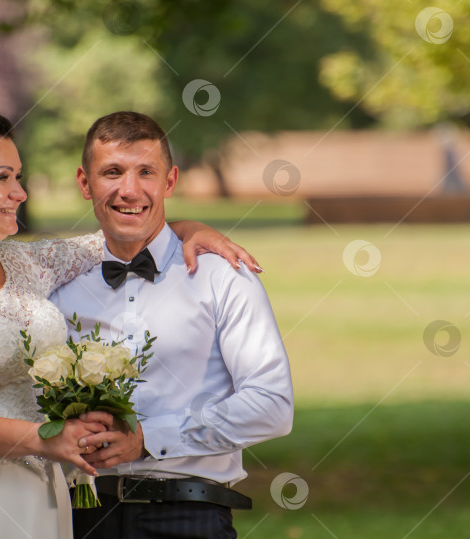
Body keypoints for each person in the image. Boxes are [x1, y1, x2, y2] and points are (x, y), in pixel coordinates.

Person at [0, 109, 258, 539]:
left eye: (19, 177)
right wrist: (38, 439)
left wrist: (190, 228)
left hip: (35, 503)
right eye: (3, 177)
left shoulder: (25, 264)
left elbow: (126, 232)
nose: (21, 193)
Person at [52, 111, 294, 538]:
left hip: (189, 516)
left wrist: (148, 437)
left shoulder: (223, 277)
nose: (130, 189)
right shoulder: (55, 284)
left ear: (170, 181)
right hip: (78, 517)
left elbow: (271, 406)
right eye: (112, 172)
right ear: (84, 182)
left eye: (146, 172)